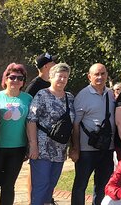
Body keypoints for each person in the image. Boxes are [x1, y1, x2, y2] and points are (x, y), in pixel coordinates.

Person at [27, 62, 75, 205]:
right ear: (51, 77)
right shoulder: (42, 95)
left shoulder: (70, 97)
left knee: (50, 186)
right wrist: (33, 146)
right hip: (42, 148)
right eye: (59, 76)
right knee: (41, 186)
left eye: (65, 77)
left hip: (59, 150)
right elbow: (31, 120)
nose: (62, 79)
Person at [0, 63, 33, 205]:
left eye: (20, 78)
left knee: (8, 185)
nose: (16, 81)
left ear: (23, 81)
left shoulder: (28, 99)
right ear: (5, 79)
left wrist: (31, 146)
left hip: (17, 148)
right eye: (12, 77)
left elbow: (31, 123)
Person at [69, 63, 116, 205]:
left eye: (103, 73)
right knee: (80, 185)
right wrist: (75, 148)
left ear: (107, 75)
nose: (100, 77)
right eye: (96, 74)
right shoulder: (82, 95)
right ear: (89, 76)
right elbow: (75, 124)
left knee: (102, 186)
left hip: (107, 148)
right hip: (86, 150)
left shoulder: (110, 93)